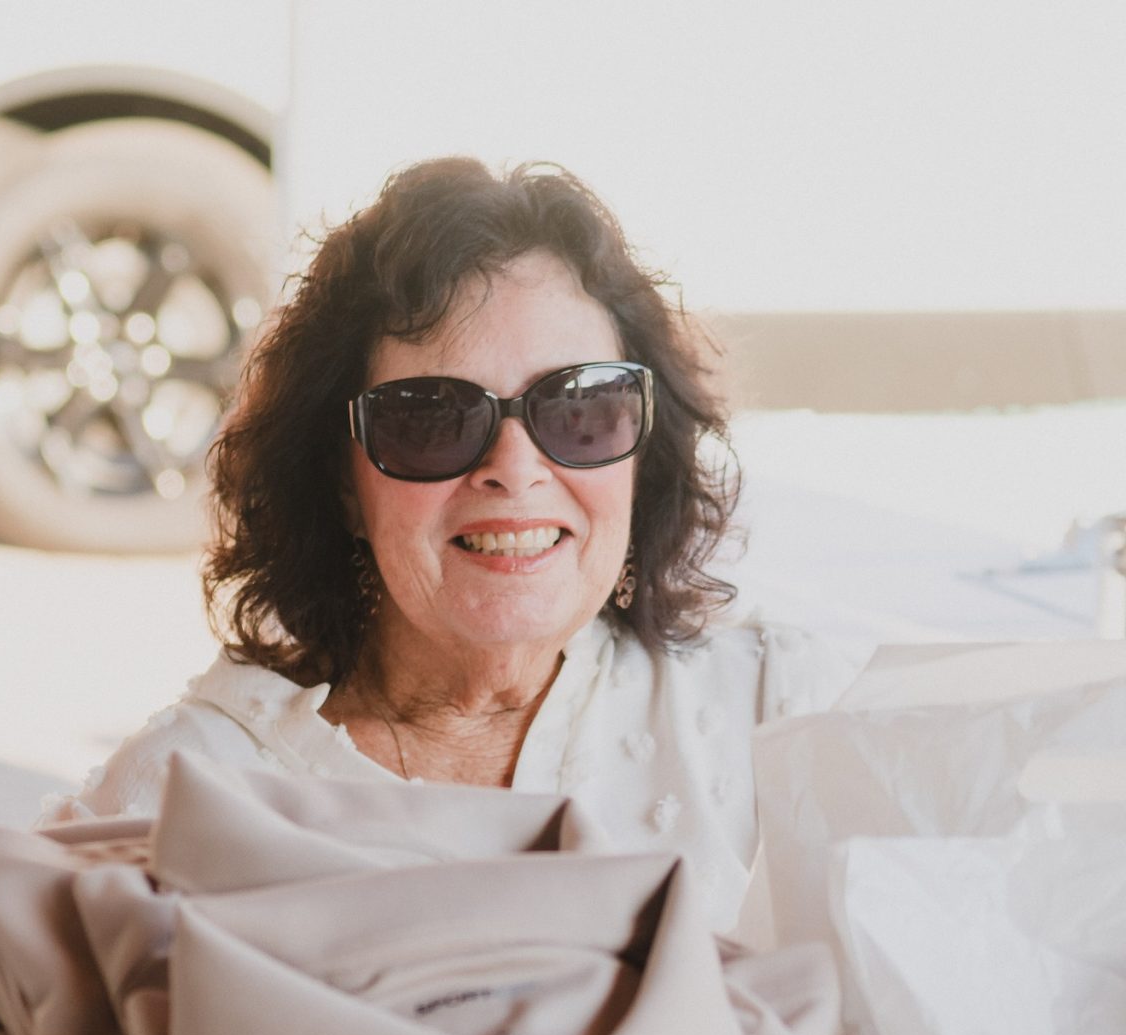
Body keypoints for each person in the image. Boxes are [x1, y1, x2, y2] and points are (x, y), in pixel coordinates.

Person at [49, 158, 856, 925]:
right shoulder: (181, 801)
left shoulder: (783, 711)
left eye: (580, 407)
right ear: (341, 482)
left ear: (643, 454)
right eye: (432, 417)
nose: (515, 470)